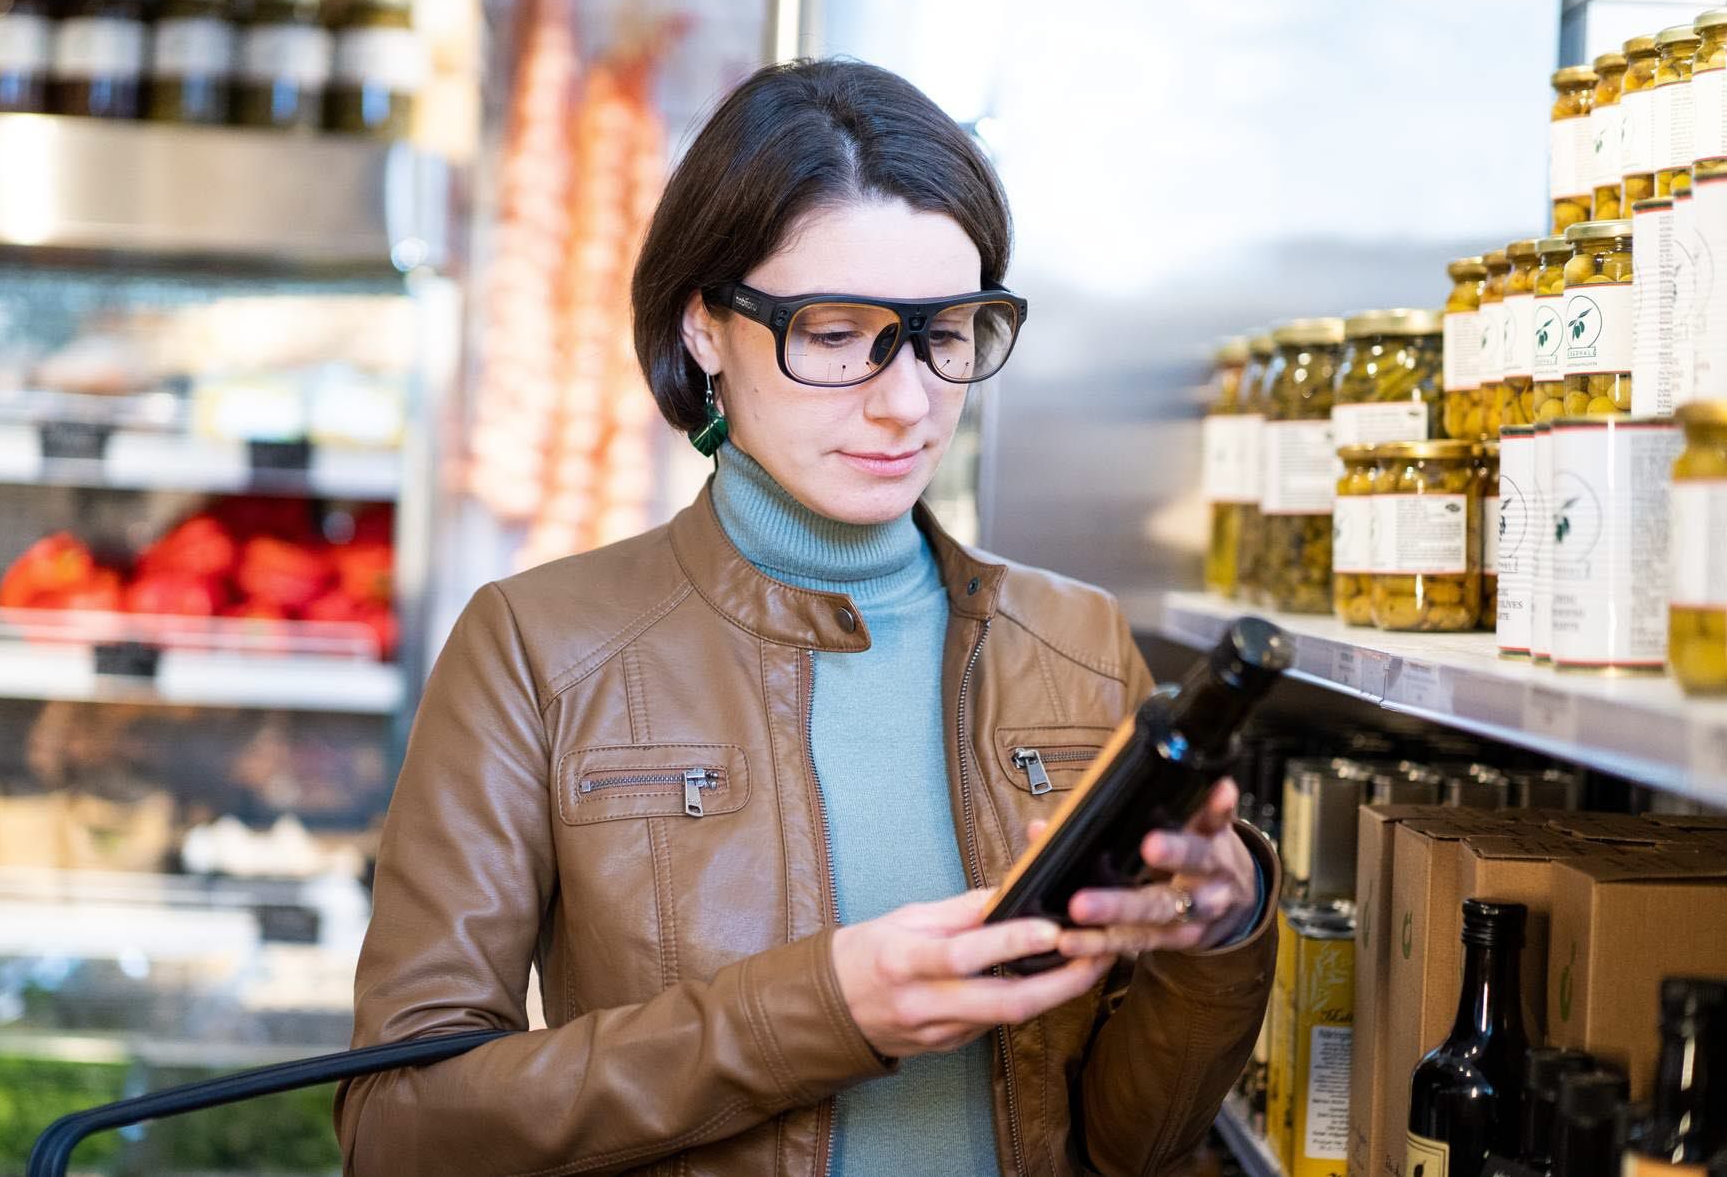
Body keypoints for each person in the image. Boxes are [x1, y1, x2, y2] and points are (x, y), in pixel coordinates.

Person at [336, 58, 1277, 1177]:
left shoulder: (1073, 645)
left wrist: (1220, 932)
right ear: (703, 328)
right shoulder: (537, 648)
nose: (906, 400)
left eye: (948, 332)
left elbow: (1132, 1147)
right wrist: (821, 1012)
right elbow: (399, 1127)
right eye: (835, 333)